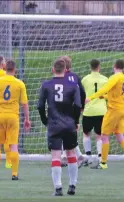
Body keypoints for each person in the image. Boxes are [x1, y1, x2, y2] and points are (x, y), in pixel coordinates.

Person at [85, 59, 124, 169]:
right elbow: (117, 95)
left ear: (114, 66)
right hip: (121, 110)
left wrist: (90, 98)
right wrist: (104, 97)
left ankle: (103, 163)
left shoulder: (114, 77)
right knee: (120, 136)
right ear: (122, 67)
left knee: (104, 136)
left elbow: (105, 88)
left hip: (113, 110)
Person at [38, 58, 81, 196]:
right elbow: (78, 105)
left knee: (56, 156)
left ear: (53, 70)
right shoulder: (73, 85)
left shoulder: (46, 85)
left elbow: (40, 106)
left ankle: (58, 188)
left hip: (54, 125)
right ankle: (72, 186)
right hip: (69, 125)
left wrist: (45, 120)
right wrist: (76, 121)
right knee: (71, 154)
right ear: (65, 70)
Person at [0, 60, 31, 180]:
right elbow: (25, 104)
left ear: (4, 68)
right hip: (13, 117)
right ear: (15, 70)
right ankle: (14, 174)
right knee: (14, 146)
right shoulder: (19, 83)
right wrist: (27, 119)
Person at [59, 56, 87, 167]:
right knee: (68, 132)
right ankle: (70, 156)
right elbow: (83, 93)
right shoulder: (75, 77)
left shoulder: (59, 77)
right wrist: (82, 107)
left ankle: (69, 157)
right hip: (74, 108)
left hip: (62, 108)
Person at [80, 59, 108, 165]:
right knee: (99, 135)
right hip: (101, 110)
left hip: (88, 110)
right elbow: (108, 94)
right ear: (99, 67)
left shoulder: (85, 79)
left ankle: (88, 156)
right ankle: (100, 157)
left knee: (86, 134)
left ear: (90, 67)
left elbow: (82, 95)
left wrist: (81, 107)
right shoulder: (105, 79)